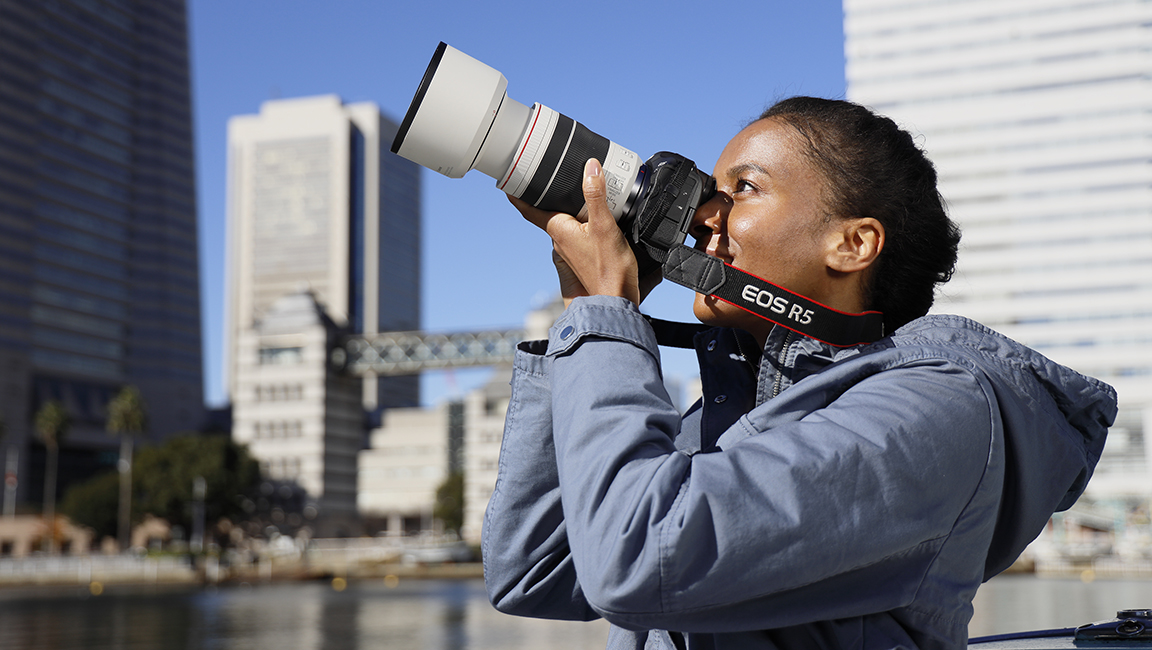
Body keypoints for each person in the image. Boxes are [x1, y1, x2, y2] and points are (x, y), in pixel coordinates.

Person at [481, 96, 1117, 650]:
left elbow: (637, 556)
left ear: (851, 244)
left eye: (745, 189)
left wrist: (605, 318)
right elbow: (534, 567)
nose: (704, 215)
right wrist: (577, 317)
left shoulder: (936, 408)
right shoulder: (727, 414)